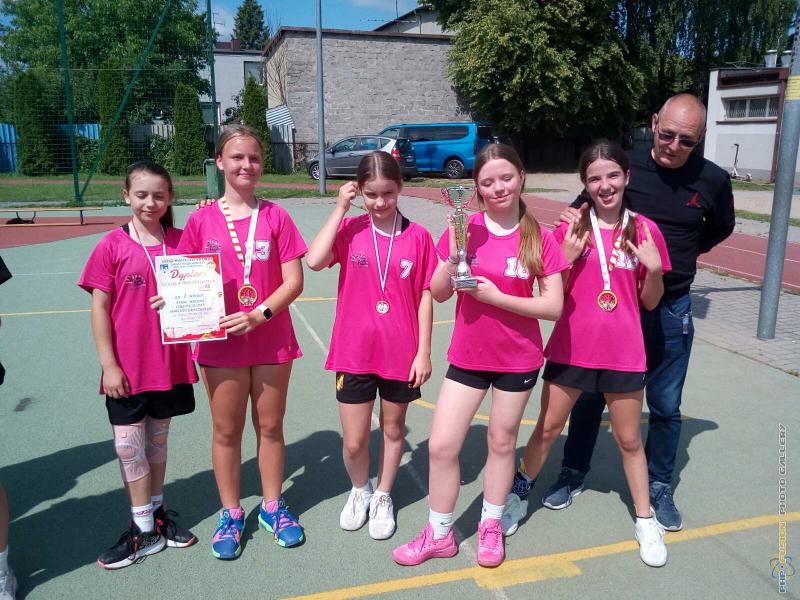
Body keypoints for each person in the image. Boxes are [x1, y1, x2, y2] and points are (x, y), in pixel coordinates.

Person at [528, 93, 735, 531]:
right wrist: (567, 230)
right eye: (667, 134)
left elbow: (721, 227)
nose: (674, 145)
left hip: (668, 302)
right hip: (611, 301)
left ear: (700, 138)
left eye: (686, 140)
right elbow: (584, 209)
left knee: (665, 403)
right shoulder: (624, 166)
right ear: (654, 123)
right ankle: (573, 472)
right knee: (587, 397)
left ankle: (658, 487)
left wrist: (676, 255)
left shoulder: (713, 180)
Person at [392, 144, 568, 568]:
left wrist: (496, 297)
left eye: (505, 178)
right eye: (487, 182)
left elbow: (553, 307)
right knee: (442, 446)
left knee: (501, 443)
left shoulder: (540, 237)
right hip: (468, 356)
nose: (498, 188)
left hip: (518, 359)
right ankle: (439, 533)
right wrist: (453, 258)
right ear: (476, 188)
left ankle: (490, 524)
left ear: (521, 177)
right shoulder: (464, 227)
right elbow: (438, 292)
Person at [502, 140, 671, 567]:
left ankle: (645, 520)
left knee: (629, 440)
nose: (605, 185)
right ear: (585, 184)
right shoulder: (570, 229)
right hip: (572, 348)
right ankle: (518, 497)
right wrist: (566, 256)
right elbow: (548, 290)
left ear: (627, 177)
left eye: (612, 175)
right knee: (546, 429)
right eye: (595, 178)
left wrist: (653, 269)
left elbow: (651, 301)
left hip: (624, 353)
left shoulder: (645, 231)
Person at [176, 124, 307, 559]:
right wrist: (170, 300)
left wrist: (258, 315)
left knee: (270, 427)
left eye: (253, 157)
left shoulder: (276, 217)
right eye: (236, 157)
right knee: (227, 430)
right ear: (219, 162)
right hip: (220, 344)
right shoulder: (201, 219)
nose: (246, 165)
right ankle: (231, 512)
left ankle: (272, 506)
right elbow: (183, 278)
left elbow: (294, 282)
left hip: (271, 339)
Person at [306, 151, 437, 540]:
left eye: (388, 193)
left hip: (401, 353)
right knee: (354, 441)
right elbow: (314, 261)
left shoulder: (418, 237)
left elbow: (425, 294)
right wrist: (339, 209)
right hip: (354, 352)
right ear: (359, 191)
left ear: (400, 188)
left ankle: (382, 495)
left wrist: (424, 351)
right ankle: (360, 488)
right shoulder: (351, 230)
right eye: (371, 194)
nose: (380, 202)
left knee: (394, 430)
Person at [78, 161, 199, 570]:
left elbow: (205, 287)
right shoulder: (111, 245)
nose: (151, 202)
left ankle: (157, 516)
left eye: (159, 196)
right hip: (127, 368)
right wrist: (108, 365)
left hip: (169, 365)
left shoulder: (182, 241)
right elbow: (99, 308)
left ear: (170, 198)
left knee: (156, 443)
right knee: (129, 447)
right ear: (126, 195)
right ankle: (142, 526)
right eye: (142, 194)